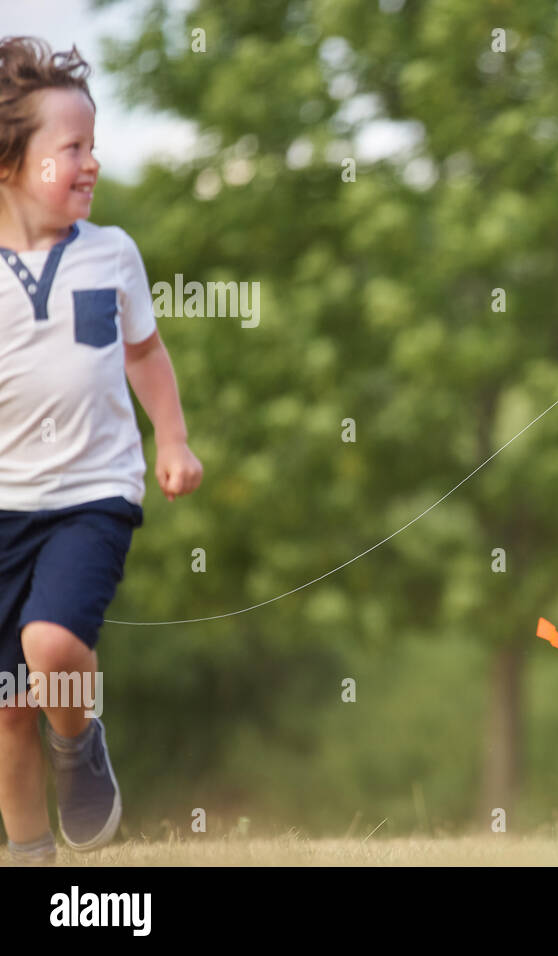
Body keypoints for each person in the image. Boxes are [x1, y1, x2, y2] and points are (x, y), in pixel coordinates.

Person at [0, 37, 202, 863]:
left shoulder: (111, 254)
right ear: (11, 163)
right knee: (9, 708)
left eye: (94, 147)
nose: (90, 164)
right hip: (4, 504)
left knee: (51, 646)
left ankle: (80, 747)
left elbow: (144, 354)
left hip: (92, 493)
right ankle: (32, 858)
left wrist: (175, 439)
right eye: (70, 149)